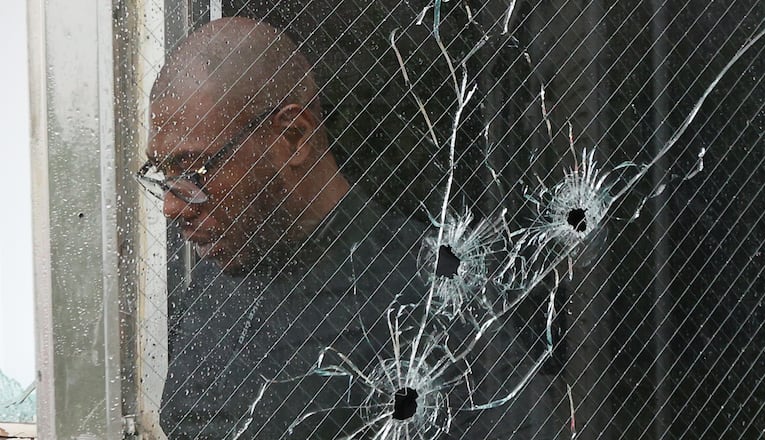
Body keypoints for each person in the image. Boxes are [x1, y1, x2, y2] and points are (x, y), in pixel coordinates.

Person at [140, 17, 560, 440]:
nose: (172, 206)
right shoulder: (215, 285)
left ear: (293, 138)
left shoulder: (432, 297)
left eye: (194, 170)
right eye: (164, 175)